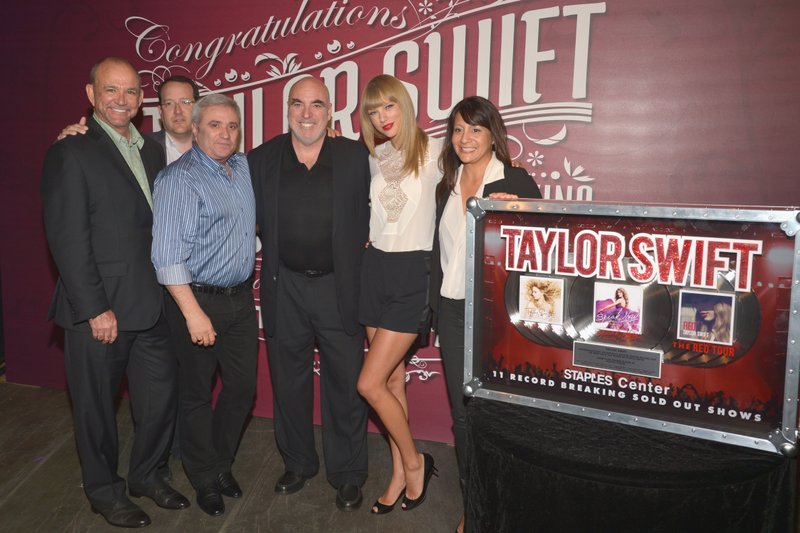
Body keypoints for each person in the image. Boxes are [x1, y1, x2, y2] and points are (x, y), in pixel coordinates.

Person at [40, 57, 189, 529]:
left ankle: (146, 475)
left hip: (151, 306)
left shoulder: (149, 151)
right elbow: (66, 237)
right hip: (100, 311)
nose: (121, 100)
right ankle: (104, 491)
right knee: (96, 411)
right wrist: (94, 308)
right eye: (111, 91)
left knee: (159, 399)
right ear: (91, 95)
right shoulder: (71, 151)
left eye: (130, 92)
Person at [247, 76, 371, 511]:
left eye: (316, 105)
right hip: (286, 285)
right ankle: (298, 463)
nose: (306, 113)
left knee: (346, 385)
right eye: (297, 104)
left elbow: (410, 173)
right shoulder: (260, 159)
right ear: (287, 109)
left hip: (341, 286)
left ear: (330, 110)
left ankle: (349, 473)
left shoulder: (356, 156)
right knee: (289, 381)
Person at [430, 96, 542, 533]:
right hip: (455, 313)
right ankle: (474, 506)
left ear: (492, 133)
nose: (465, 138)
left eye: (475, 129)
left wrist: (520, 215)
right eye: (458, 130)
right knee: (464, 415)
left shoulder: (515, 180)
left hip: (501, 321)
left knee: (501, 414)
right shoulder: (447, 183)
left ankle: (507, 501)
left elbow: (544, 249)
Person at [151, 94, 257, 517]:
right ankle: (202, 476)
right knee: (196, 396)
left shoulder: (244, 167)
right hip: (195, 300)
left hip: (240, 300)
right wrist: (193, 313)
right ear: (194, 129)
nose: (225, 134)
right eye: (214, 125)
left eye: (232, 126)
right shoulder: (178, 180)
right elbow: (167, 256)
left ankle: (219, 463)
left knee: (241, 389)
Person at [355, 75, 442, 515]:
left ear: (407, 105)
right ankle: (397, 471)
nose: (382, 117)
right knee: (390, 382)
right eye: (373, 110)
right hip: (375, 271)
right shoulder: (375, 156)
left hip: (412, 273)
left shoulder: (435, 151)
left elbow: (481, 173)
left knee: (368, 383)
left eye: (389, 106)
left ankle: (415, 461)